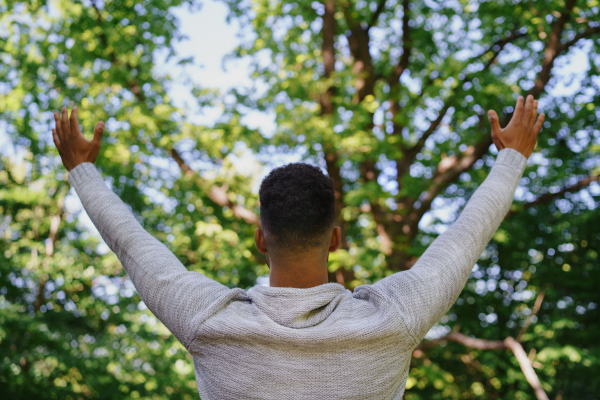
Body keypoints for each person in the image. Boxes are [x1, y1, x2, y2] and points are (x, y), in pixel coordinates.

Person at [52, 95, 544, 399]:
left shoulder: (210, 322)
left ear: (261, 238)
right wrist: (511, 160)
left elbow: (134, 245)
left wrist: (81, 169)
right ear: (334, 238)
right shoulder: (393, 319)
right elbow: (462, 241)